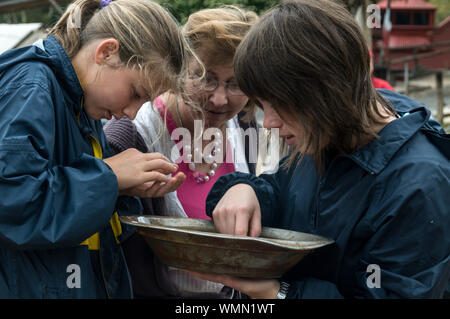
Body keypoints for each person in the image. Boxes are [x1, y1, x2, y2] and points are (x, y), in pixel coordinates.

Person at [189, 0, 450, 299]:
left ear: (325, 90)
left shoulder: (421, 188)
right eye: (262, 106)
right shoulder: (326, 134)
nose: (269, 124)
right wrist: (242, 188)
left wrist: (280, 294)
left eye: (278, 104)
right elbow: (282, 193)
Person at [0, 0, 190, 298]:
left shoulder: (83, 104)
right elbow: (12, 204)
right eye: (136, 93)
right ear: (106, 52)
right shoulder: (31, 88)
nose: (132, 113)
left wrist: (124, 189)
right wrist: (109, 177)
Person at [104, 5, 259, 298]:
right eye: (205, 78)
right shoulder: (129, 136)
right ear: (178, 67)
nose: (219, 98)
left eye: (236, 83)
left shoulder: (246, 128)